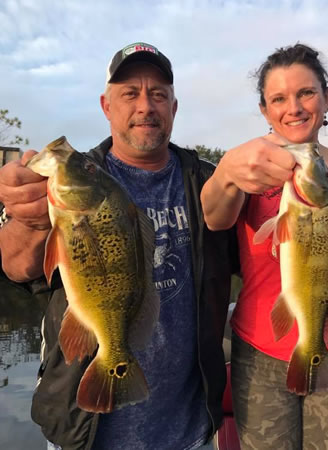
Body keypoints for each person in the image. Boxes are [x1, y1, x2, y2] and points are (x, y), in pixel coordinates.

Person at [0, 42, 238, 449]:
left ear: (174, 107)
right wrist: (28, 218)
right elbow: (17, 266)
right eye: (130, 94)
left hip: (189, 429)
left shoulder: (209, 183)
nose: (145, 106)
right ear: (106, 106)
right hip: (84, 430)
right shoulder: (74, 179)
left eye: (158, 94)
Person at [200, 43, 328, 449]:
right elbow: (213, 218)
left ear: (326, 98)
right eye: (279, 99)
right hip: (261, 353)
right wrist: (226, 171)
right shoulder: (248, 168)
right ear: (264, 110)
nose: (295, 108)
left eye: (306, 93)